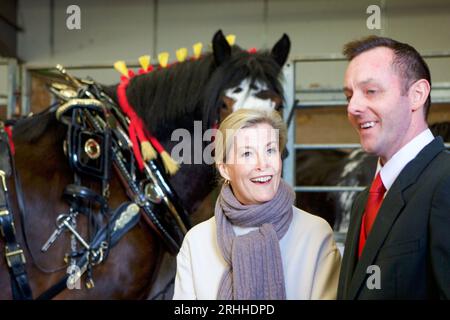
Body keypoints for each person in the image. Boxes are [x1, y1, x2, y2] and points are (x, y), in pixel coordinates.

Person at [173, 108, 341, 300]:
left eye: (270, 150)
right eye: (247, 154)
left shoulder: (316, 234)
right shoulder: (196, 242)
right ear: (225, 169)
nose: (263, 164)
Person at [338, 36, 450, 299]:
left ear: (416, 95)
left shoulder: (445, 183)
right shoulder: (364, 200)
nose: (352, 107)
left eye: (371, 91)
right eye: (348, 95)